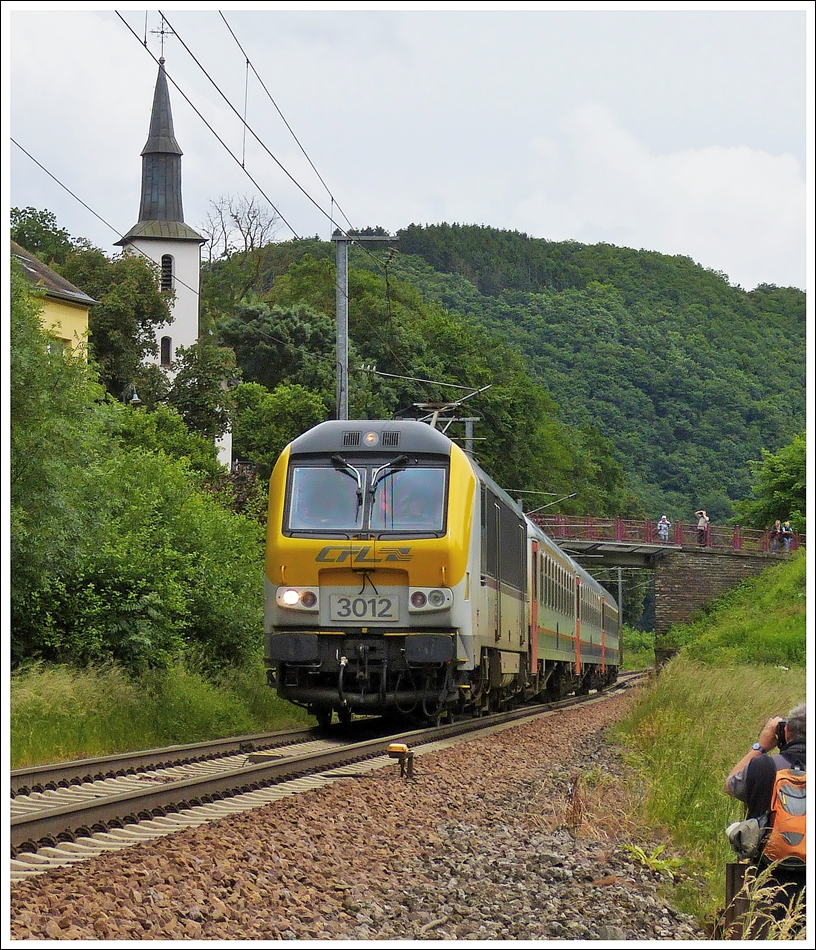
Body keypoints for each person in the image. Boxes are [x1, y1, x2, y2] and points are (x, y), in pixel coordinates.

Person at [725, 703, 806, 926]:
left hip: (768, 872)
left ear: (786, 732)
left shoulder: (764, 767)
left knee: (767, 927)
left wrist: (761, 746)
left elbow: (731, 784)